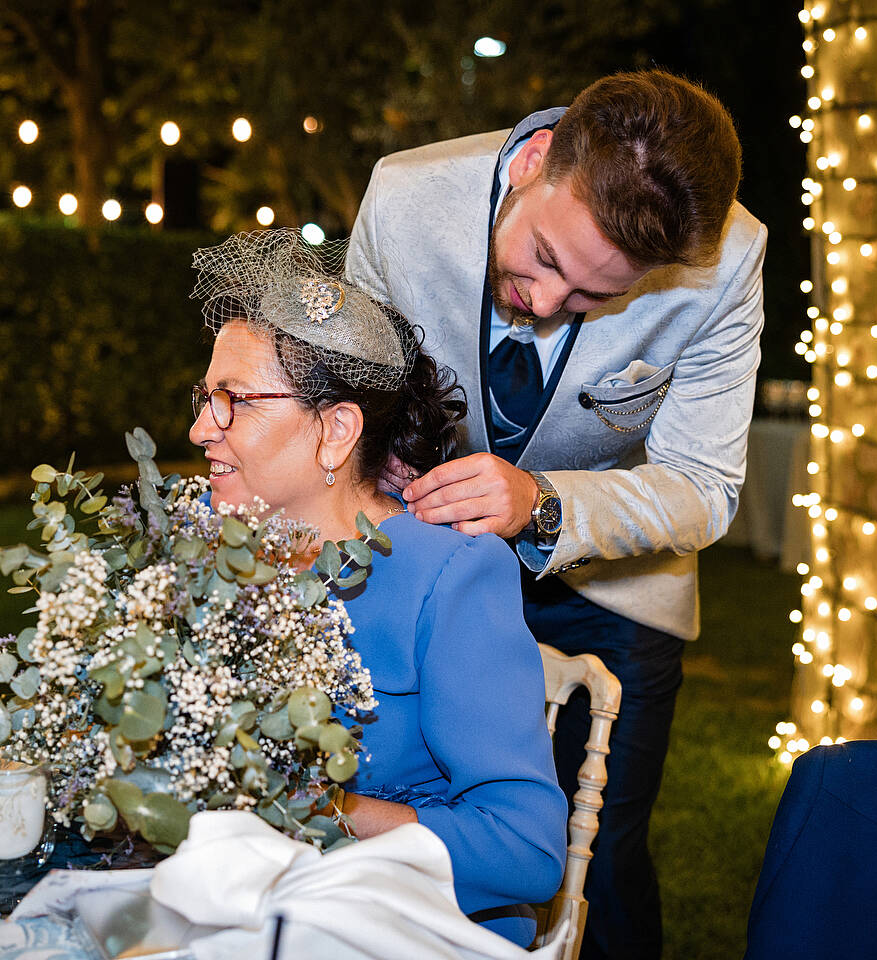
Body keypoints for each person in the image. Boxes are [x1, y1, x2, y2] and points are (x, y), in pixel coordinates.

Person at [344, 70, 767, 960]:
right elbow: (359, 386)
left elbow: (703, 485)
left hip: (614, 590)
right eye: (542, 258)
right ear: (535, 160)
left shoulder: (729, 262)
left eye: (589, 298)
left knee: (600, 864)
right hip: (428, 571)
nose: (541, 303)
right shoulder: (405, 195)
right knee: (395, 814)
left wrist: (542, 503)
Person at [187, 229, 568, 948]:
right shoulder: (203, 543)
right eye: (206, 396)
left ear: (336, 431)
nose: (200, 428)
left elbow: (527, 852)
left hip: (407, 930)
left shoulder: (452, 577)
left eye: (234, 400)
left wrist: (320, 811)